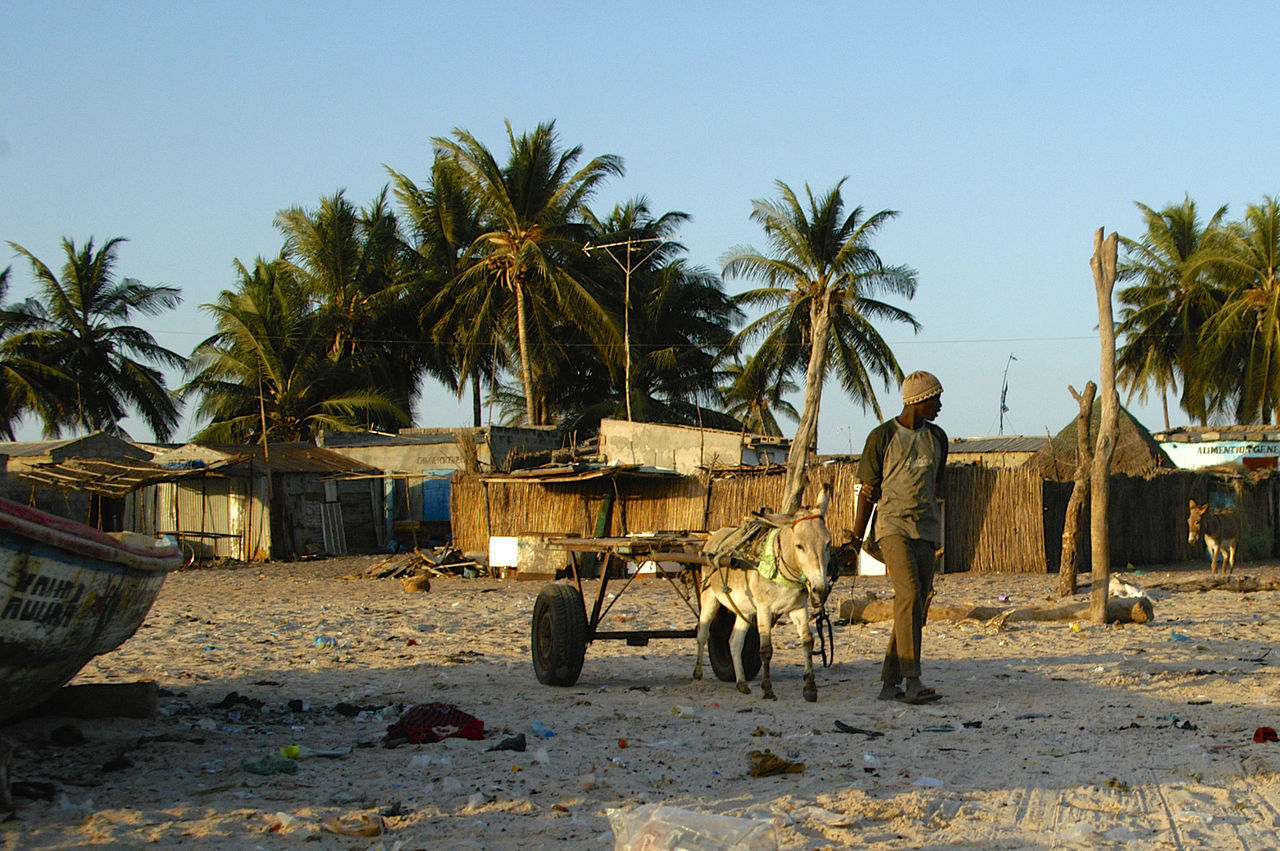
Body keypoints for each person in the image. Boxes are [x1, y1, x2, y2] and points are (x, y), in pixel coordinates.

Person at [847, 370, 947, 705]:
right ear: (919, 400)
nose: (940, 405)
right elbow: (868, 491)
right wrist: (855, 538)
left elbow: (933, 486)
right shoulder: (882, 437)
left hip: (926, 529)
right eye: (936, 398)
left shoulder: (938, 438)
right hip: (892, 527)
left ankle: (889, 682)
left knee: (917, 605)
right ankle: (913, 680)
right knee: (908, 596)